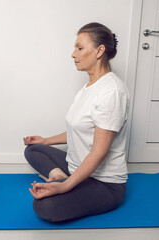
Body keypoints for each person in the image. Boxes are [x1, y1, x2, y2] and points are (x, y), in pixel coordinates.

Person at [23, 22, 129, 222]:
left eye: (79, 48)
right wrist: (45, 141)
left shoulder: (111, 91)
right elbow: (79, 131)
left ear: (99, 51)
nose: (73, 54)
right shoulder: (88, 87)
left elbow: (99, 151)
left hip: (104, 183)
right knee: (33, 150)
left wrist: (65, 186)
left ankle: (63, 180)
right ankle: (58, 174)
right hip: (76, 166)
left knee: (44, 206)